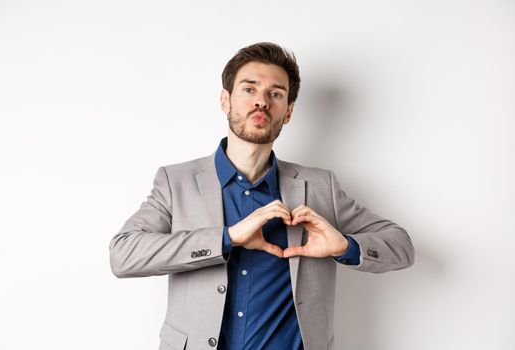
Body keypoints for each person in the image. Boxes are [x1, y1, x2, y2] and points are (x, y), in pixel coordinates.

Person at [109, 42, 415, 350]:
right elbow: (123, 255)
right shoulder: (177, 182)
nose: (261, 102)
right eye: (249, 89)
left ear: (288, 112)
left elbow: (401, 246)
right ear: (225, 100)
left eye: (275, 94)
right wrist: (226, 238)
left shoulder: (320, 186)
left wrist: (345, 246)